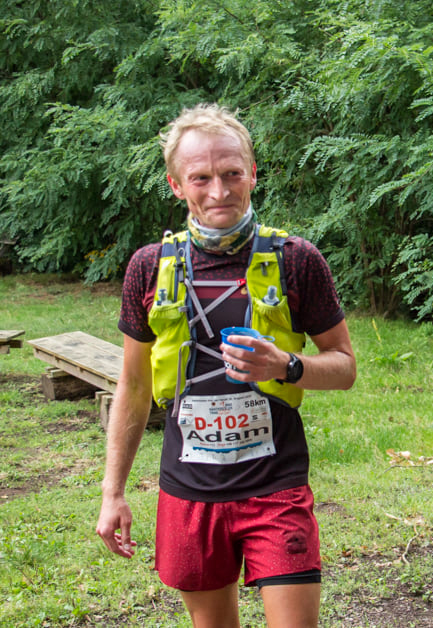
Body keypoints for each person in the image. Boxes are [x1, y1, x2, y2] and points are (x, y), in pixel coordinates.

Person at [96, 103, 356, 628]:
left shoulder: (296, 259)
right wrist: (113, 492)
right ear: (176, 185)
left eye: (232, 173)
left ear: (252, 173)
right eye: (202, 178)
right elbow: (133, 385)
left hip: (276, 484)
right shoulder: (148, 267)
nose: (219, 191)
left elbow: (345, 366)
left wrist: (287, 364)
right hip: (189, 492)